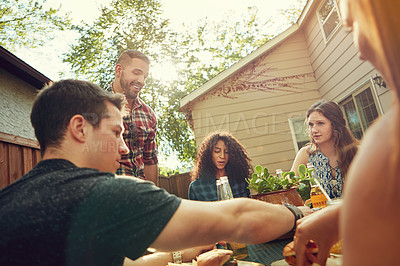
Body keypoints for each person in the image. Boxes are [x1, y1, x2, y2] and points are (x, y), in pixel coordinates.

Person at [0, 79, 312, 266]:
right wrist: (301, 214)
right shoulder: (101, 193)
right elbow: (238, 218)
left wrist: (182, 255)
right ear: (80, 128)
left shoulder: (11, 199)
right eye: (116, 131)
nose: (125, 149)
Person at [293, 0, 400, 265]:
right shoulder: (306, 155)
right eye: (310, 124)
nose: (360, 52)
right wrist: (338, 219)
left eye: (354, 28)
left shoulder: (370, 148)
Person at [107, 50, 158, 184]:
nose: (141, 81)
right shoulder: (95, 106)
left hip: (141, 194)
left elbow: (150, 160)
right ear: (119, 70)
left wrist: (152, 196)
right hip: (110, 192)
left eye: (145, 76)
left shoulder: (149, 115)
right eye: (136, 73)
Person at [290, 100, 358, 199]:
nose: (314, 130)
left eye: (320, 123)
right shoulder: (305, 154)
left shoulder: (356, 152)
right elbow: (289, 188)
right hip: (322, 213)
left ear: (335, 125)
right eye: (311, 125)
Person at [189, 131, 252, 201]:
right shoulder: (197, 187)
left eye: (226, 152)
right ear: (209, 154)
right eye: (217, 151)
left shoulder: (240, 180)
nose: (222, 156)